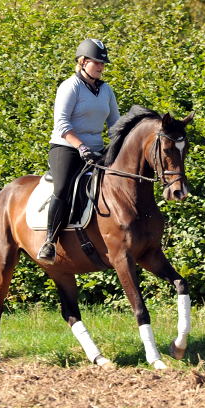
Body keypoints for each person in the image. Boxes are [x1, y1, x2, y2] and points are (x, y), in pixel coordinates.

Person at [38, 38, 120, 263]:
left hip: (96, 150)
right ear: (83, 62)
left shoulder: (106, 90)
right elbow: (62, 124)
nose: (102, 67)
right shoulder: (69, 86)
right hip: (67, 147)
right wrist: (81, 146)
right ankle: (49, 241)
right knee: (63, 187)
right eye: (97, 63)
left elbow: (115, 124)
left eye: (103, 64)